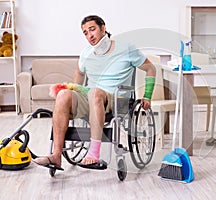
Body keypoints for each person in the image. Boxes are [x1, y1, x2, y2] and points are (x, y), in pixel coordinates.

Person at [33, 15, 156, 170]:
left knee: (95, 93)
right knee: (63, 94)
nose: (89, 35)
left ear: (103, 28)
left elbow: (151, 68)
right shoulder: (86, 53)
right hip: (90, 97)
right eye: (85, 32)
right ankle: (56, 156)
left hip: (117, 99)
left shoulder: (126, 49)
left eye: (92, 29)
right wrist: (72, 93)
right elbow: (79, 74)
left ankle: (93, 153)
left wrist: (147, 95)